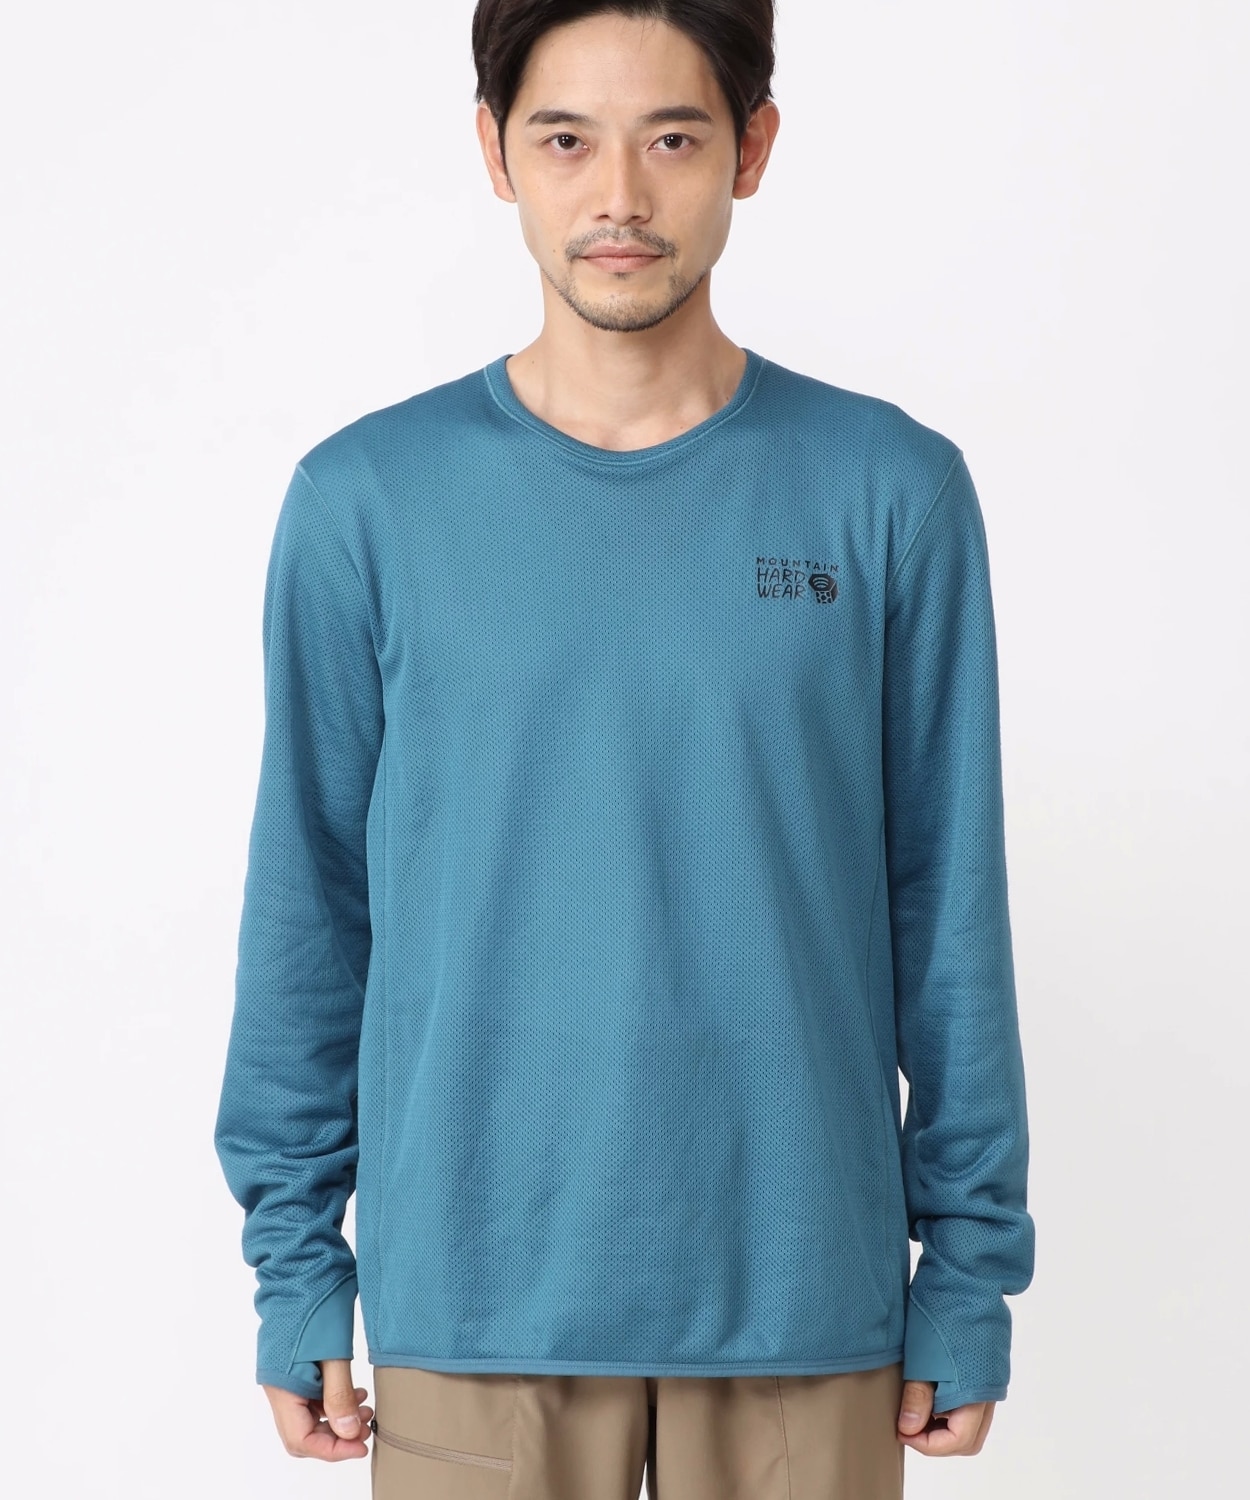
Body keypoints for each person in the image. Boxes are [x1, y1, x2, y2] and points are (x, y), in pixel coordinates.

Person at [213, 2, 1035, 1495]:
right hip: (475, 1293)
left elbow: (947, 903)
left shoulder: (890, 493)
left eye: (672, 138)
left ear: (751, 149)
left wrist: (969, 1272)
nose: (618, 197)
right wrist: (295, 1263)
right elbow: (310, 906)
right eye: (564, 140)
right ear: (494, 154)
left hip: (804, 1297)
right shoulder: (366, 503)